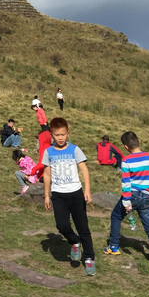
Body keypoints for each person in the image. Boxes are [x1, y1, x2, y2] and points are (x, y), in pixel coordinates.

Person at [103, 131, 149, 270]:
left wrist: (127, 202)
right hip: (147, 197)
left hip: (132, 196)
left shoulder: (126, 161)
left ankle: (114, 246)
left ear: (126, 147)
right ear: (139, 141)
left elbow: (126, 184)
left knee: (116, 216)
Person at [43, 117, 96, 275]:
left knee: (83, 227)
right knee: (62, 225)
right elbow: (47, 175)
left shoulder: (74, 149)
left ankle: (89, 258)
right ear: (52, 135)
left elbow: (84, 170)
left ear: (68, 134)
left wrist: (87, 190)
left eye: (63, 134)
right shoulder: (48, 152)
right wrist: (46, 195)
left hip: (75, 193)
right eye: (57, 135)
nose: (60, 137)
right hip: (58, 195)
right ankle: (74, 241)